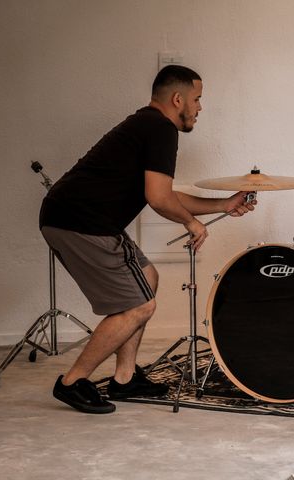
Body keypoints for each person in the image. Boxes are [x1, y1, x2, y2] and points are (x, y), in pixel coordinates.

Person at [40, 65, 256, 413]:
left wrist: (223, 205)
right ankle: (72, 382)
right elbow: (159, 199)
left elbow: (165, 194)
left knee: (147, 278)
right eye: (198, 99)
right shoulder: (160, 129)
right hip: (80, 220)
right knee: (139, 305)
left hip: (79, 218)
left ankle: (124, 379)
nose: (200, 108)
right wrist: (192, 224)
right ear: (177, 98)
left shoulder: (147, 125)